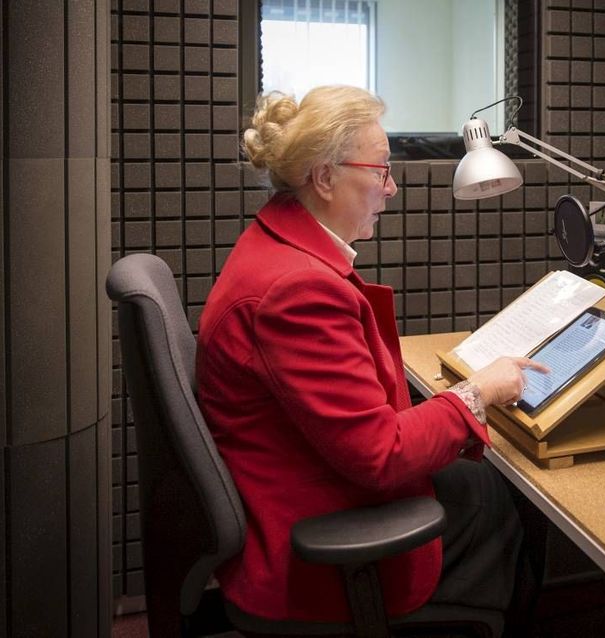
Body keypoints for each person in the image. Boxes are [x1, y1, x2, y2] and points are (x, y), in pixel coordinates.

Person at [196, 85, 546, 625]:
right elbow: (380, 456)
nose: (393, 187)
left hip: (301, 490)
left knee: (482, 484)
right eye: (381, 169)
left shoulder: (278, 247)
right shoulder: (296, 289)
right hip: (315, 545)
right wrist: (479, 392)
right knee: (498, 502)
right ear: (325, 176)